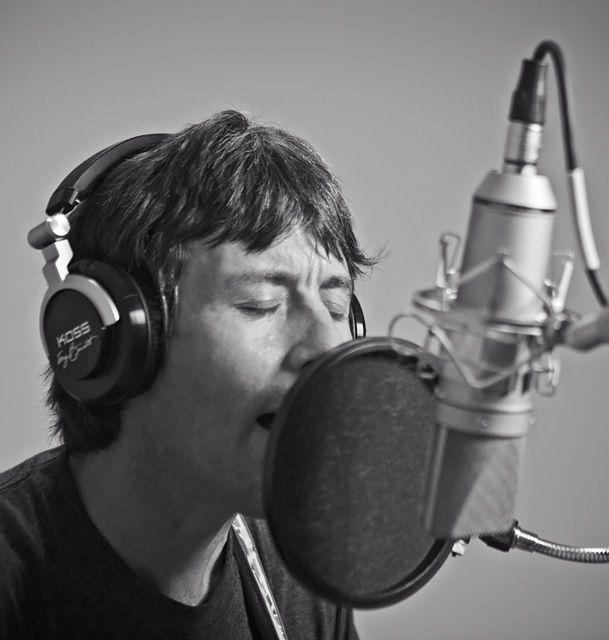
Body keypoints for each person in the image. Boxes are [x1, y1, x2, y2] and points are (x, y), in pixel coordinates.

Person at [0, 110, 378, 639]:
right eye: (260, 304)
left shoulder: (301, 574)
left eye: (336, 309)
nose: (328, 350)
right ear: (124, 339)